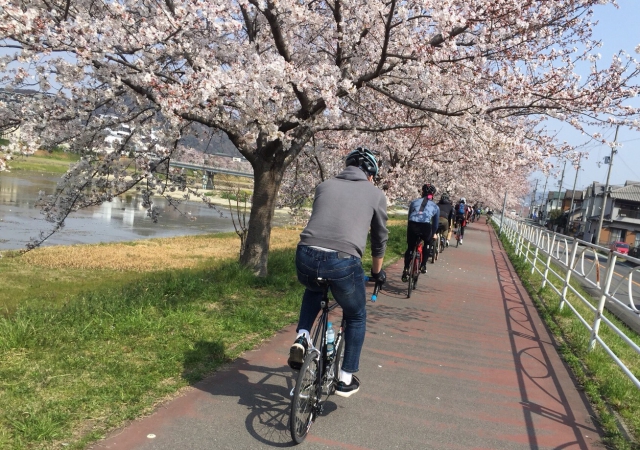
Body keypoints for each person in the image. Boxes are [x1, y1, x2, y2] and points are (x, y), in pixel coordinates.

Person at [288, 147, 388, 398]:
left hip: (305, 256)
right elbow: (379, 239)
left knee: (313, 287)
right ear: (371, 174)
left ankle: (301, 337)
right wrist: (377, 273)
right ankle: (345, 378)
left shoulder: (324, 185)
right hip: (343, 260)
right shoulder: (375, 194)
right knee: (355, 315)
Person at [402, 183, 439, 281]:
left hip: (413, 225)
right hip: (425, 226)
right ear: (433, 195)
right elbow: (435, 224)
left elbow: (410, 217)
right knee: (427, 244)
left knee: (410, 247)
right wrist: (432, 234)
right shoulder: (435, 206)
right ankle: (423, 266)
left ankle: (406, 268)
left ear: (422, 192)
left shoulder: (414, 202)